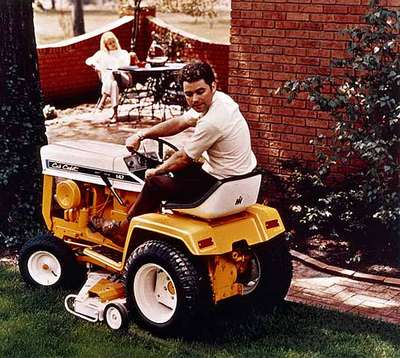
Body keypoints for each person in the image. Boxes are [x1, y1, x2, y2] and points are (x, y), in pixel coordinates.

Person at [89, 61, 257, 237]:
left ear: (212, 86)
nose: (195, 100)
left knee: (155, 182)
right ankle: (150, 216)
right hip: (240, 177)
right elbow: (180, 122)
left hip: (220, 185)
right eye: (189, 94)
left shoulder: (212, 122)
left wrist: (155, 171)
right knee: (171, 157)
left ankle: (124, 229)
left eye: (200, 92)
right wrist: (141, 135)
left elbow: (183, 158)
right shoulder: (221, 100)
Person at [85, 31, 138, 121]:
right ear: (106, 46)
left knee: (112, 73)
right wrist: (96, 66)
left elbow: (125, 65)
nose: (112, 44)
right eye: (109, 43)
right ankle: (115, 114)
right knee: (113, 84)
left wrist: (113, 70)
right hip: (112, 82)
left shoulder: (123, 53)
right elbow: (88, 60)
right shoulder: (102, 54)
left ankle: (103, 100)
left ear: (116, 41)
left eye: (113, 42)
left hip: (124, 78)